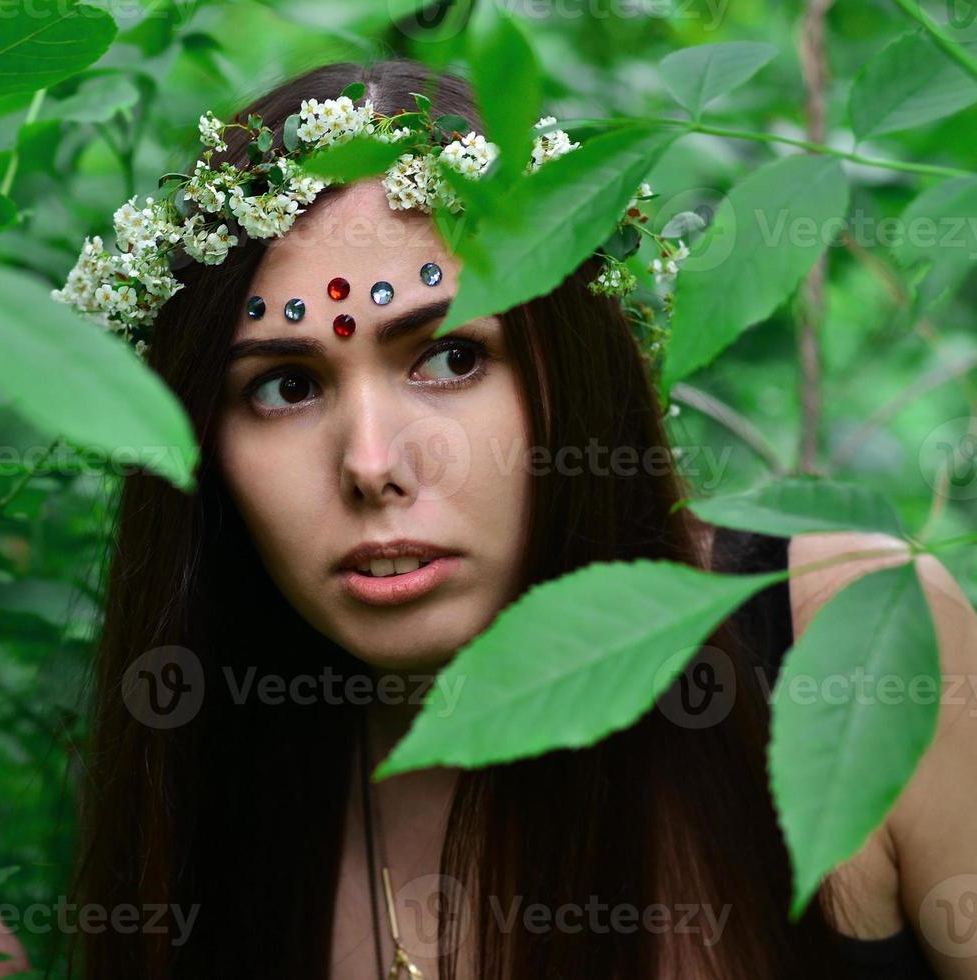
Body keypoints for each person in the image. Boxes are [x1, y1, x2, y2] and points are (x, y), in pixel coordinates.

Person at [56, 58, 977, 979]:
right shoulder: (209, 792)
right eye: (286, 386)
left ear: (572, 374)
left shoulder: (849, 637)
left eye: (451, 357)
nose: (373, 465)